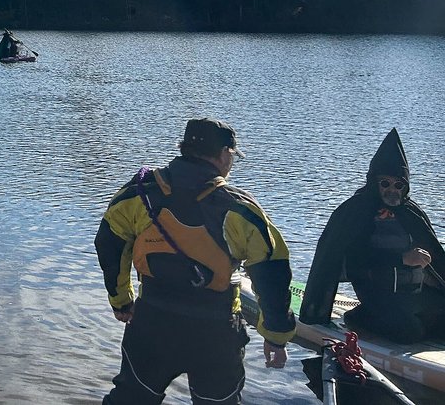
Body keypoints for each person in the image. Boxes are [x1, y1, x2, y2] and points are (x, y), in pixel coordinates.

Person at [95, 118, 294, 405]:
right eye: (233, 156)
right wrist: (275, 335)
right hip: (215, 331)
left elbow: (109, 244)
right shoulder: (239, 209)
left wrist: (121, 301)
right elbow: (272, 274)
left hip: (151, 323)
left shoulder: (139, 194)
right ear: (224, 154)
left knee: (131, 399)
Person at [300, 129, 445, 342]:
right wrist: (401, 259)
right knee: (410, 332)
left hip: (410, 292)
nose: (392, 190)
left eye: (398, 185)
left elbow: (436, 257)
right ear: (374, 182)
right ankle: (357, 317)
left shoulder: (411, 212)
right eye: (385, 183)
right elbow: (353, 261)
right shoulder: (356, 211)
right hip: (376, 292)